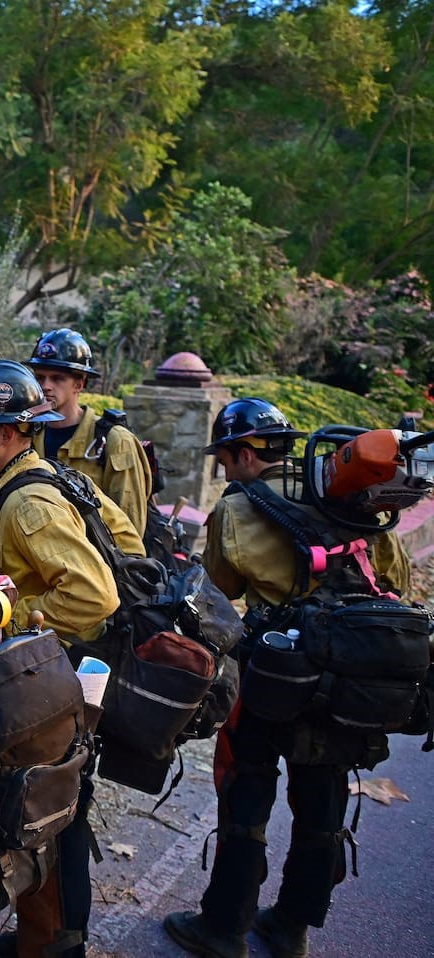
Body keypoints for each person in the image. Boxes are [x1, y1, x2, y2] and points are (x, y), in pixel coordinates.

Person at [163, 398, 410, 958]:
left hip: (271, 675)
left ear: (245, 453)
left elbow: (219, 593)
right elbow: (394, 578)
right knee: (322, 802)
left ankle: (223, 928)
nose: (225, 472)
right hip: (348, 676)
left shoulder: (238, 508)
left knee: (245, 796)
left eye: (225, 460)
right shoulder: (357, 504)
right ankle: (293, 926)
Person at [0, 360, 128, 958]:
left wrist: (11, 613)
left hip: (51, 677)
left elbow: (96, 595)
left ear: (9, 433)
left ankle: (47, 944)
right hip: (61, 674)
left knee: (42, 810)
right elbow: (124, 537)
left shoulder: (28, 503)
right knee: (59, 807)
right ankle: (51, 939)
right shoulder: (41, 477)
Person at [25, 328, 152, 537]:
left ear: (79, 383)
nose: (45, 386)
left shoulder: (114, 441)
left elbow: (130, 527)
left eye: (57, 379)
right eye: (39, 378)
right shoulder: (28, 434)